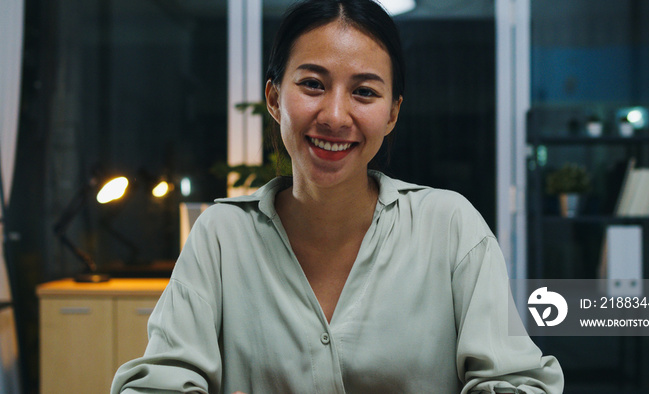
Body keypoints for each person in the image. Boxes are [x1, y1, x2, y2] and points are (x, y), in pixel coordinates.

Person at [111, 0, 564, 393]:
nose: (334, 115)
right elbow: (156, 383)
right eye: (312, 84)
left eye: (364, 92)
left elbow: (518, 381)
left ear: (392, 114)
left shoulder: (451, 228)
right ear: (274, 98)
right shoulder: (221, 236)